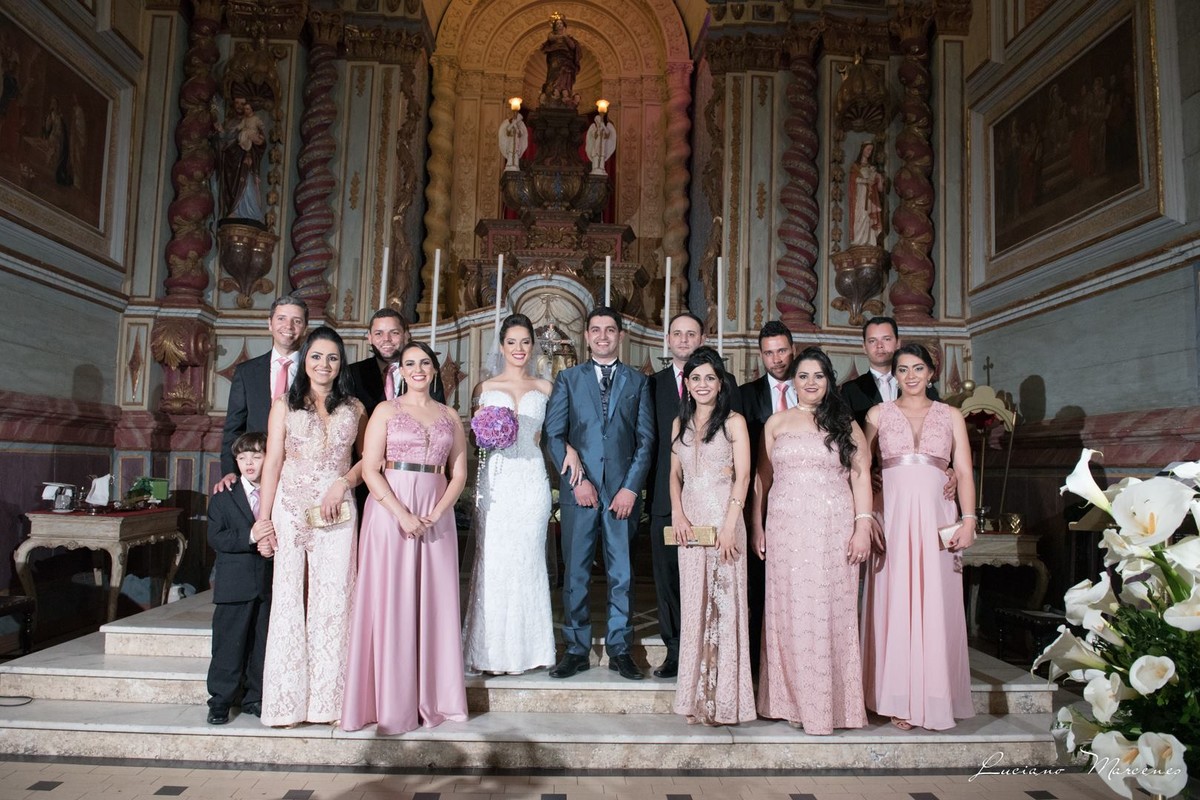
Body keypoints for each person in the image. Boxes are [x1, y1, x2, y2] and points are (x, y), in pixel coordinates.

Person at [342, 341, 469, 734]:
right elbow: (369, 469)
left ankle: (437, 697)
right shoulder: (385, 410)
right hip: (390, 512)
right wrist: (401, 514)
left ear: (434, 370)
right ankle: (390, 703)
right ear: (400, 370)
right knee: (391, 601)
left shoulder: (450, 415)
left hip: (436, 513)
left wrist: (437, 513)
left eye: (424, 363)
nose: (417, 369)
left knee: (435, 603)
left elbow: (459, 473)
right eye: (410, 363)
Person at [752, 348, 872, 734]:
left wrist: (863, 526)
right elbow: (762, 480)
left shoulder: (845, 423)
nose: (810, 383)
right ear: (793, 382)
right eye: (803, 376)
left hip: (832, 529)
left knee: (829, 611)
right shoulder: (776, 423)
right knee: (788, 610)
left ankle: (831, 705)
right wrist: (757, 526)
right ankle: (789, 701)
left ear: (828, 381)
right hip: (785, 530)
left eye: (818, 376)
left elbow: (861, 477)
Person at [861, 343, 977, 732]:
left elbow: (964, 470)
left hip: (937, 519)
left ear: (931, 372)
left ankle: (933, 697)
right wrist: (866, 514)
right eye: (903, 369)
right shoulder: (877, 414)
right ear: (894, 375)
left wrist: (969, 519)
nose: (910, 376)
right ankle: (897, 698)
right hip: (891, 517)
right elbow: (860, 466)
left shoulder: (951, 415)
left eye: (918, 368)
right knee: (894, 601)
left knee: (936, 601)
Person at [255, 326, 366, 727]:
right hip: (290, 507)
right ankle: (286, 704)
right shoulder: (284, 405)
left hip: (337, 511)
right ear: (305, 361)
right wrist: (263, 519)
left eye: (333, 358)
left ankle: (329, 703)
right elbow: (272, 463)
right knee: (288, 598)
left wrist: (343, 483)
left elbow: (369, 460)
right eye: (317, 356)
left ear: (341, 364)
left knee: (335, 600)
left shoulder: (355, 407)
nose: (324, 364)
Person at [543, 306, 655, 681]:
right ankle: (576, 649)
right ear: (587, 336)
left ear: (620, 335)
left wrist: (630, 489)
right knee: (575, 573)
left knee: (622, 575)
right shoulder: (568, 379)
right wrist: (577, 482)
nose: (603, 336)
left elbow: (646, 441)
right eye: (596, 330)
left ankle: (620, 649)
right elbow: (554, 435)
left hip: (621, 496)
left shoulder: (638, 382)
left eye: (610, 330)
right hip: (580, 493)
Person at [647, 313, 741, 680]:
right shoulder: (652, 385)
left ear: (703, 337)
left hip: (719, 507)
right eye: (677, 333)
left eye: (691, 333)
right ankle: (677, 652)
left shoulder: (729, 397)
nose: (684, 339)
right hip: (672, 503)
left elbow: (739, 462)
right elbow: (652, 448)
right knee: (673, 582)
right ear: (668, 338)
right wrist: (674, 507)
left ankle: (720, 660)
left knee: (719, 586)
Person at [461, 314, 557, 675]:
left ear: (533, 346)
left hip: (532, 481)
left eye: (525, 342)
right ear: (501, 346)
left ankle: (530, 652)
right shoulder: (484, 388)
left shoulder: (546, 388)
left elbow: (557, 435)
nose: (519, 349)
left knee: (528, 561)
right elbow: (474, 441)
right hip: (497, 483)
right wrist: (486, 434)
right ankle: (489, 653)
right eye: (512, 342)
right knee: (495, 562)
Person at [669, 346, 755, 726]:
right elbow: (674, 475)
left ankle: (723, 703)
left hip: (724, 519)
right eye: (695, 378)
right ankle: (694, 699)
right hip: (689, 524)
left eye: (709, 377)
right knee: (694, 608)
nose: (702, 384)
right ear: (687, 384)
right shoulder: (680, 423)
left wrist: (730, 524)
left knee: (724, 609)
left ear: (721, 383)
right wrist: (677, 512)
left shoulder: (734, 422)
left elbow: (744, 476)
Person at [738, 320, 795, 678]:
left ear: (793, 350)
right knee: (759, 587)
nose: (776, 359)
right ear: (761, 356)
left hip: (806, 505)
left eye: (782, 350)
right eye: (769, 353)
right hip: (760, 502)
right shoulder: (745, 395)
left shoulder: (815, 390)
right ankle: (761, 671)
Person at [205, 432, 273, 725]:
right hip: (234, 585)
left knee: (261, 644)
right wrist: (250, 535)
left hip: (267, 584)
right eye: (243, 458)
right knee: (228, 645)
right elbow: (216, 537)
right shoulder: (223, 496)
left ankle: (254, 697)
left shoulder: (278, 492)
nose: (249, 463)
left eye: (257, 456)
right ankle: (220, 700)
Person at [216, 295, 308, 493]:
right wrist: (230, 471)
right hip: (256, 474)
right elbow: (234, 427)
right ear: (270, 323)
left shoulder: (313, 371)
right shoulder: (247, 372)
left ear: (305, 328)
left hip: (301, 473)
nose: (288, 326)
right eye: (281, 318)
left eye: (297, 321)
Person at [841, 316, 938, 429]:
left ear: (898, 343)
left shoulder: (918, 384)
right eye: (872, 341)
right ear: (864, 347)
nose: (879, 346)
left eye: (886, 339)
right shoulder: (851, 390)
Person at [346, 308, 447, 416]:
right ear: (370, 338)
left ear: (406, 335)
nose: (386, 339)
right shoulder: (352, 373)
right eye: (378, 333)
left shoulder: (423, 372)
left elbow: (438, 413)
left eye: (394, 333)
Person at [217, 96, 267, 223]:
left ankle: (251, 212)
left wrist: (258, 140)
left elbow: (261, 141)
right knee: (233, 184)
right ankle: (234, 209)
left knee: (247, 183)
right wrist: (221, 132)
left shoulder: (254, 121)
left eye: (243, 104)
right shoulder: (231, 122)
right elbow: (224, 140)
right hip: (231, 161)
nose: (240, 106)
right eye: (237, 103)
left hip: (246, 158)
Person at [849, 140, 884, 247]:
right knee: (861, 215)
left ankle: (870, 241)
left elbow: (880, 189)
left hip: (870, 196)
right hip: (860, 195)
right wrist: (866, 181)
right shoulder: (856, 166)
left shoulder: (871, 168)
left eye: (871, 150)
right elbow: (853, 180)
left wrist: (879, 179)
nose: (869, 152)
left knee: (869, 217)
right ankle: (859, 241)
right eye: (868, 149)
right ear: (862, 149)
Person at [540, 14, 580, 106]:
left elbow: (573, 47)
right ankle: (552, 93)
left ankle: (564, 92)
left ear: (564, 26)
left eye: (561, 23)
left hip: (566, 60)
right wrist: (561, 36)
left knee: (565, 74)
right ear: (554, 27)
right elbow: (551, 39)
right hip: (555, 59)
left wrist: (565, 36)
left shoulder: (567, 37)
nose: (559, 25)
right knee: (553, 76)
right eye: (557, 24)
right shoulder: (552, 35)